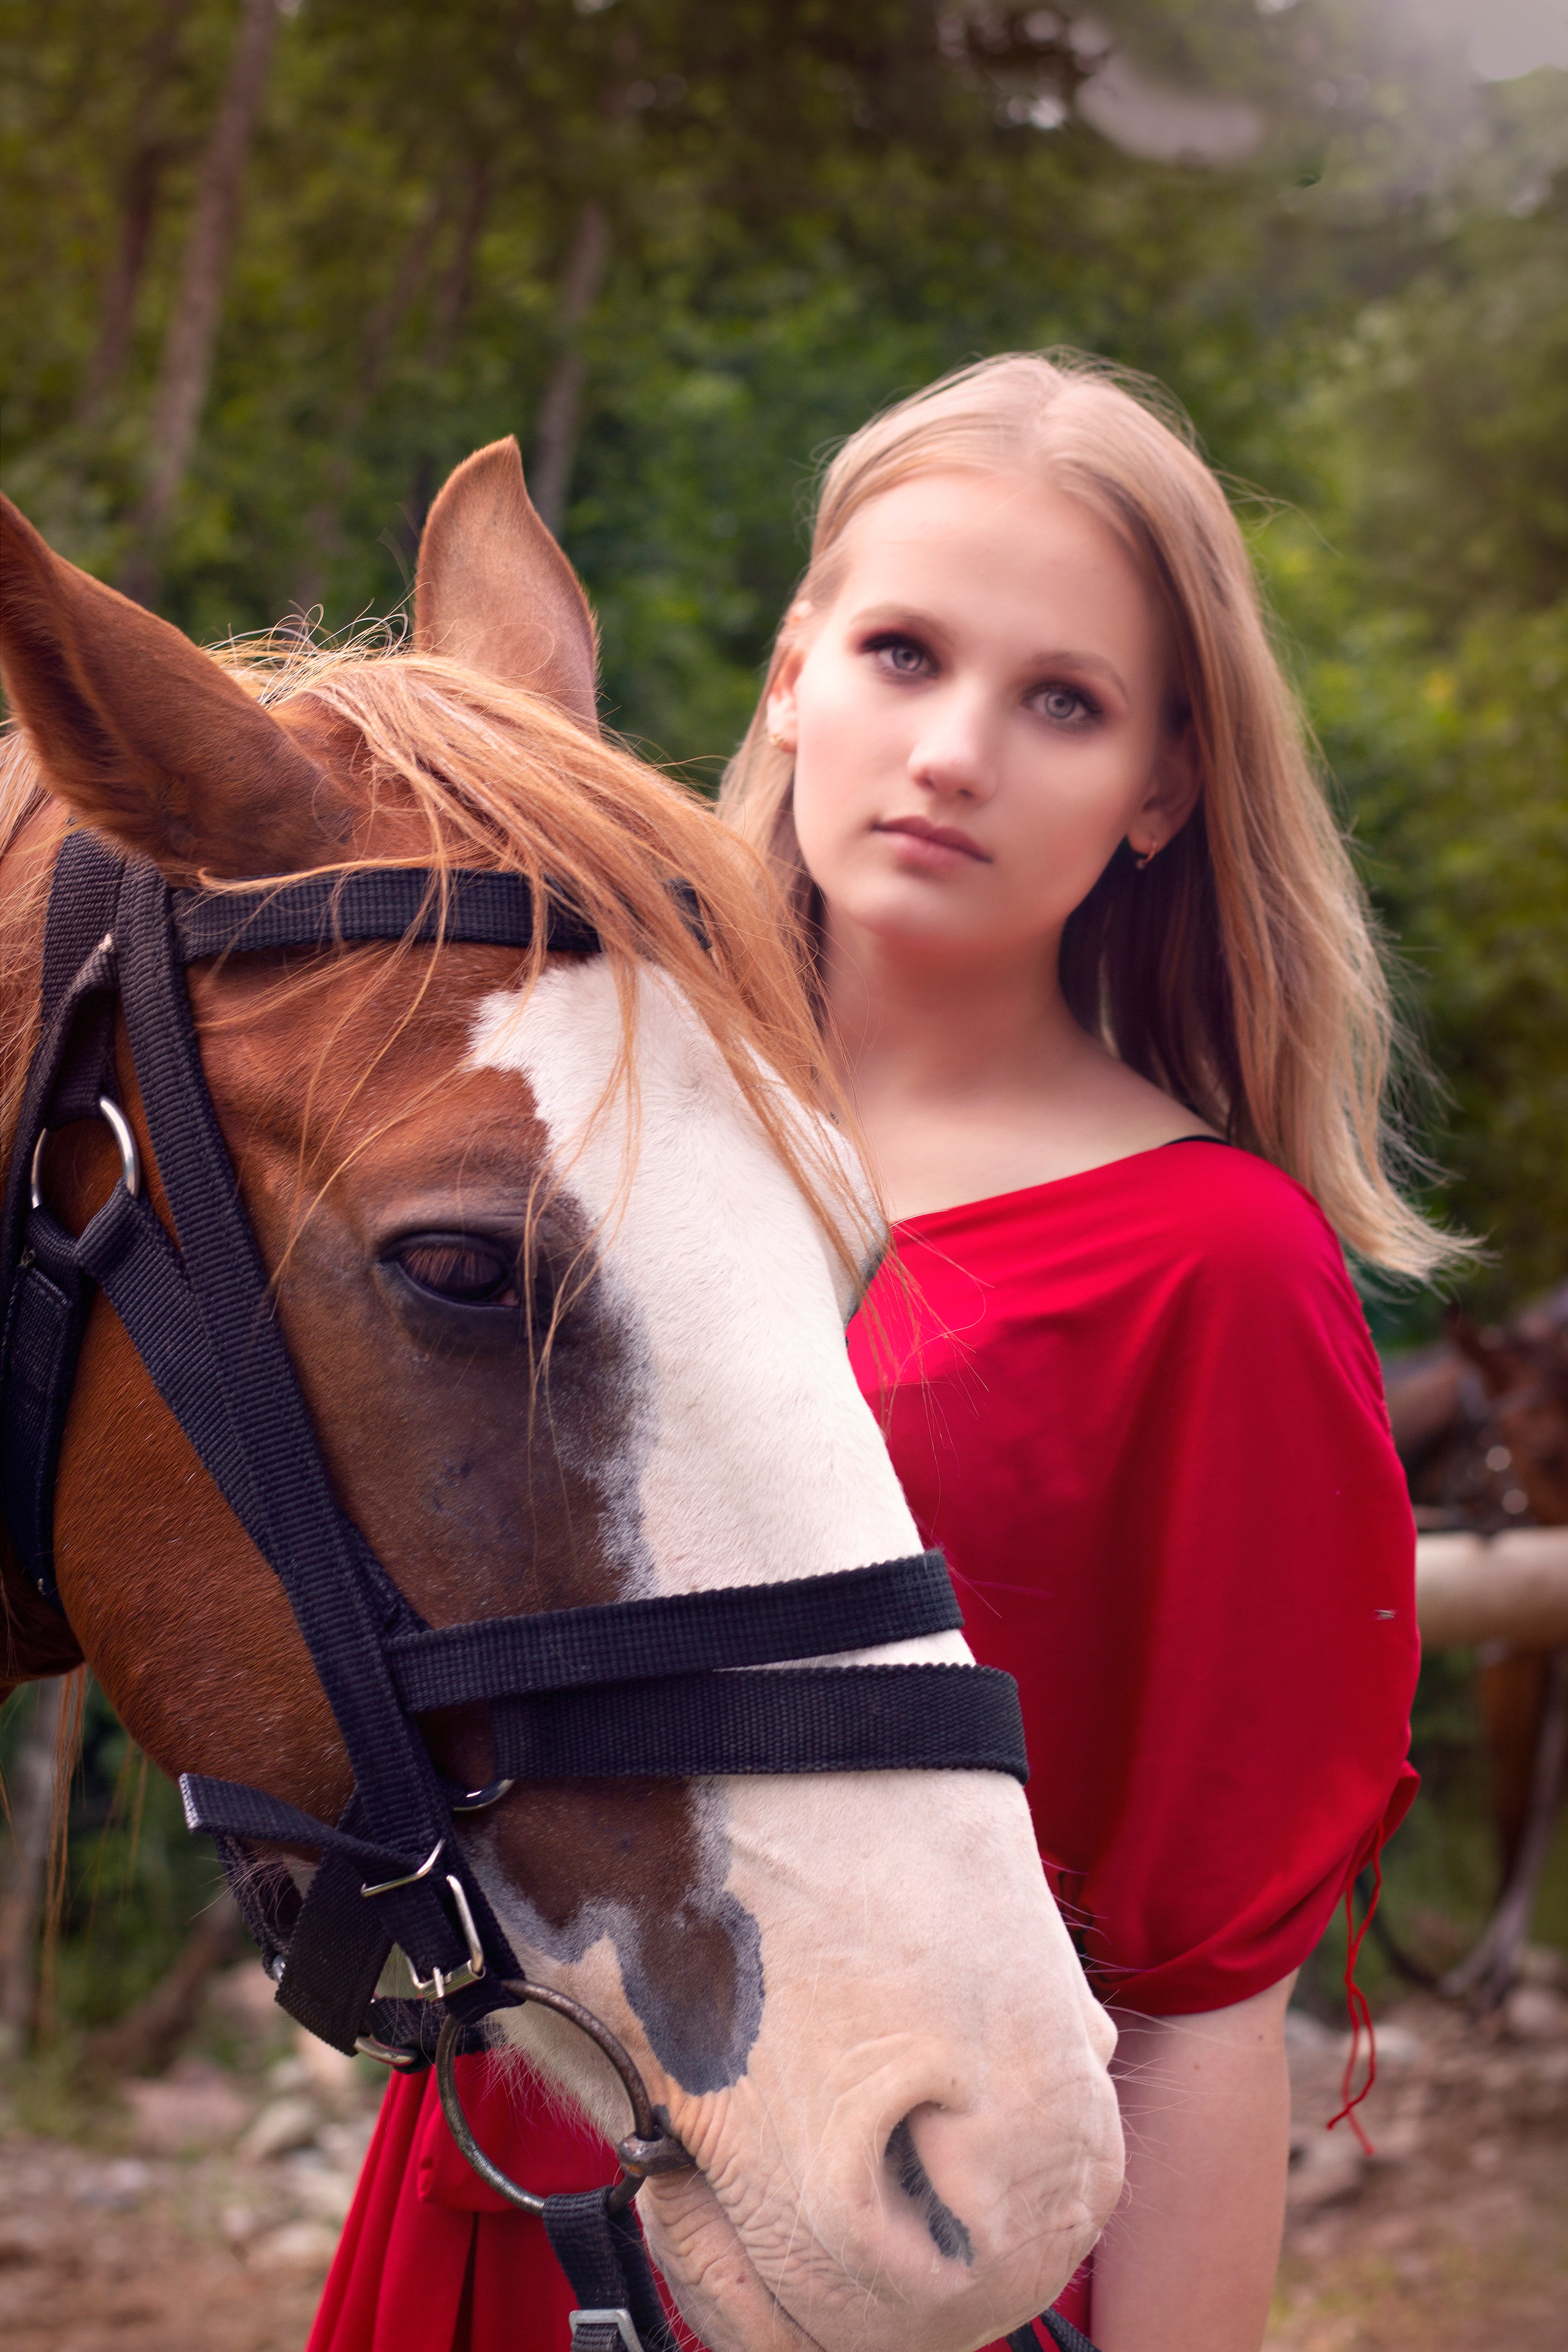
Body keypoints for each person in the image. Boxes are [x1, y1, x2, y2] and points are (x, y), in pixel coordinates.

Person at [311, 352, 1446, 2352]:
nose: (955, 750)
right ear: (788, 672)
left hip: (893, 2261)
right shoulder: (579, 1136)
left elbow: (1197, 2018)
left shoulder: (1213, 1273)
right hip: (493, 2222)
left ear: (1164, 789)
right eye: (905, 654)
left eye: (1063, 703)